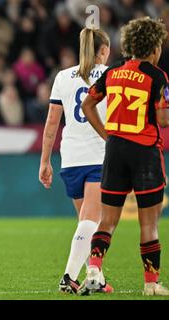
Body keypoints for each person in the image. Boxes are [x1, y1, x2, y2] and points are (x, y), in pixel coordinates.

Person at [81, 17, 169, 296]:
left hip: (115, 151)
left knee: (107, 221)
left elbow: (87, 104)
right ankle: (151, 284)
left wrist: (108, 134)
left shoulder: (113, 71)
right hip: (145, 154)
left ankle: (93, 267)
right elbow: (163, 121)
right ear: (154, 47)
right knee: (149, 224)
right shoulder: (157, 77)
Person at [39, 27, 113, 294]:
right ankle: (69, 276)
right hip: (98, 154)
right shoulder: (109, 75)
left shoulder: (62, 76)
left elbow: (51, 123)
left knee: (86, 220)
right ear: (103, 50)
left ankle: (97, 276)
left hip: (69, 157)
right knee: (93, 219)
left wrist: (45, 161)